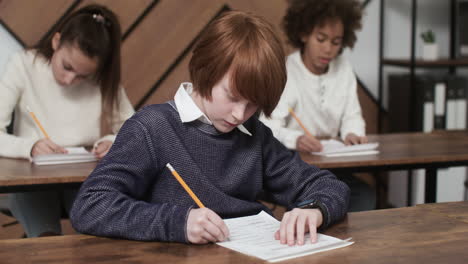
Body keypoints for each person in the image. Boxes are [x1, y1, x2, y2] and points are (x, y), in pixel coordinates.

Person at [70, 11, 349, 246]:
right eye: (232, 96)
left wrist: (314, 210)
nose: (240, 114)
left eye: (253, 104)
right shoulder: (151, 128)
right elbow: (90, 206)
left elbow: (327, 186)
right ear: (206, 70)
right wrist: (178, 222)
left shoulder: (255, 135)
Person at [0, 4, 135, 237]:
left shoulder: (103, 80)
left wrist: (112, 140)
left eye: (83, 76)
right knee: (45, 235)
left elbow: (136, 132)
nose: (70, 80)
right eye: (67, 67)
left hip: (84, 179)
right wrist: (29, 146)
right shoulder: (24, 65)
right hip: (33, 182)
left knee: (100, 233)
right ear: (56, 41)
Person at [260, 0, 376, 212]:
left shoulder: (344, 69)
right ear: (304, 34)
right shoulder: (287, 70)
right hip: (296, 167)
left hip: (335, 167)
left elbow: (352, 114)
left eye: (336, 42)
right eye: (321, 39)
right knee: (312, 201)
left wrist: (353, 132)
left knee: (364, 197)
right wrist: (296, 139)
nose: (328, 49)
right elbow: (266, 126)